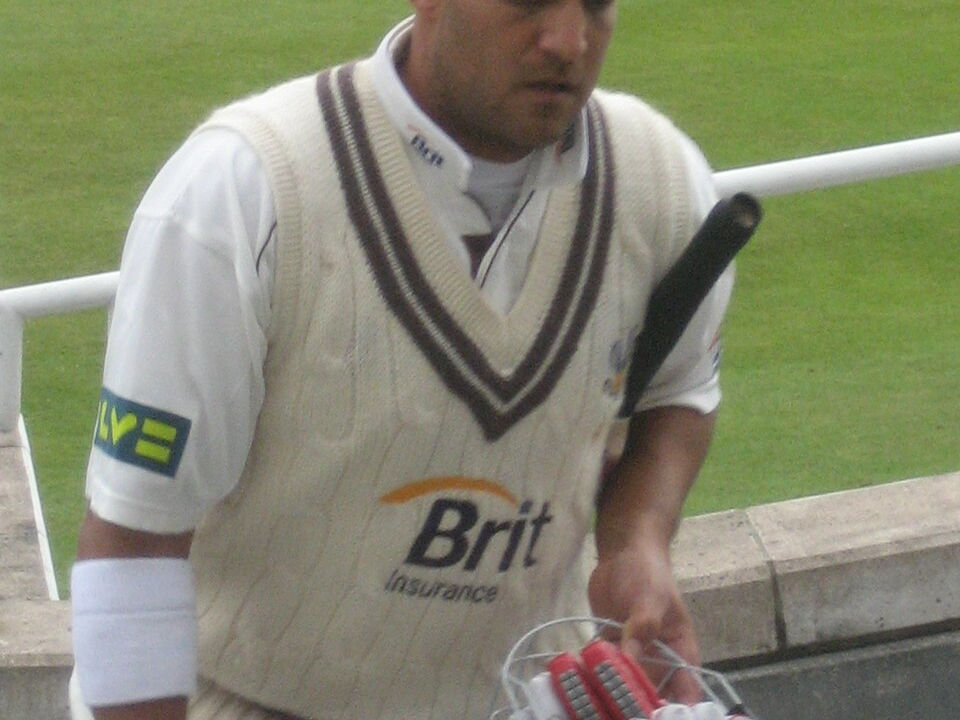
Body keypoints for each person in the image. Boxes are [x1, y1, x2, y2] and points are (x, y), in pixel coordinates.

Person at [69, 1, 735, 718]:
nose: (569, 41)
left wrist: (635, 540)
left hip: (534, 699)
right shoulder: (241, 190)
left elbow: (678, 391)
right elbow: (134, 546)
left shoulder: (663, 180)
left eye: (597, 4)